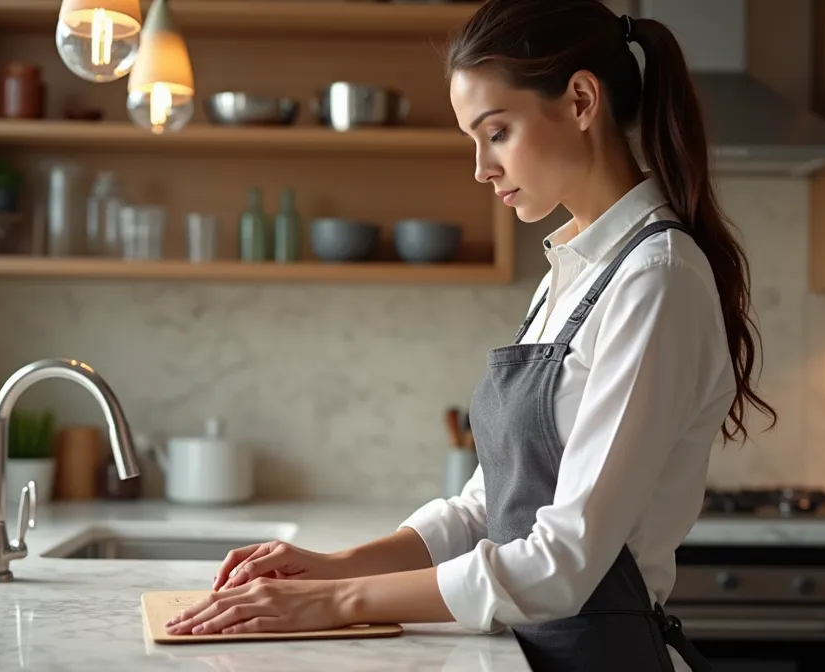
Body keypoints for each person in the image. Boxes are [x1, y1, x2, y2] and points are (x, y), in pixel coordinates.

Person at [164, 0, 775, 669]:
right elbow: (488, 507)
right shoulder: (571, 272)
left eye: (497, 132)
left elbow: (563, 563)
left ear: (580, 101)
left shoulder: (656, 279)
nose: (481, 167)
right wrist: (334, 567)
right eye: (473, 139)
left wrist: (338, 601)